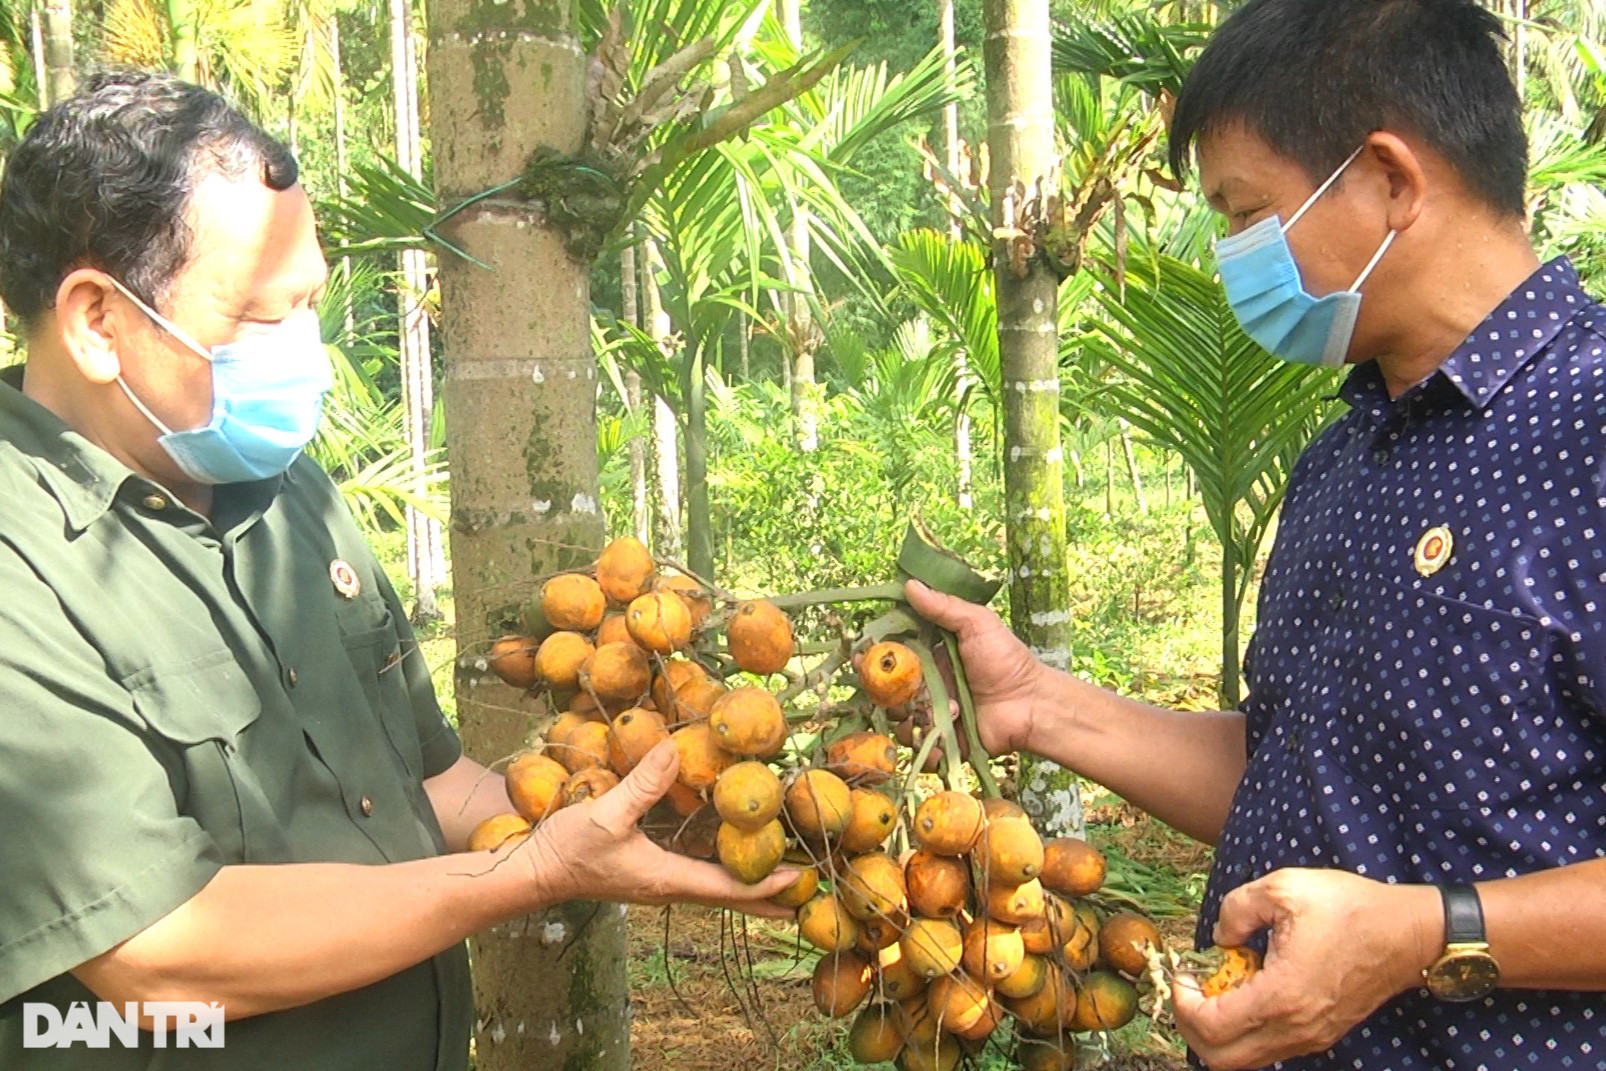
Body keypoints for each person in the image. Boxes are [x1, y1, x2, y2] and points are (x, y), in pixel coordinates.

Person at [0, 71, 791, 1069]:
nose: (306, 355)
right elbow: (158, 958)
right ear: (96, 323)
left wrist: (646, 818)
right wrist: (527, 876)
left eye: (312, 304)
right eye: (259, 316)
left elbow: (430, 785)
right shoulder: (19, 565)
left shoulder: (285, 492)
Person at [910, 1, 1606, 1068]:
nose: (1231, 253)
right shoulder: (1346, 456)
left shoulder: (1589, 431)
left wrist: (1431, 933)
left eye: (1243, 212)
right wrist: (1036, 705)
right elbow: (1294, 767)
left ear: (1389, 179)